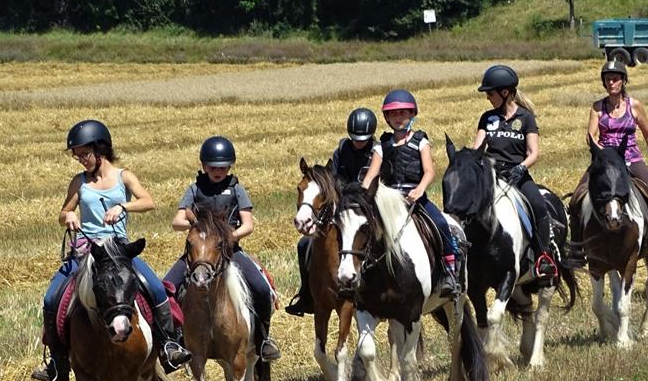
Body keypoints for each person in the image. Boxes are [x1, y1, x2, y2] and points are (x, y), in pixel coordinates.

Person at [32, 120, 192, 381]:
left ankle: (168, 346)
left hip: (118, 250)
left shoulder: (123, 176)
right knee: (51, 299)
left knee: (156, 288)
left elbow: (149, 202)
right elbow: (63, 213)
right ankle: (58, 362)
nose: (81, 160)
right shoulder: (79, 182)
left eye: (85, 153)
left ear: (100, 148)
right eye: (77, 155)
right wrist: (69, 215)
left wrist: (123, 207)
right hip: (87, 250)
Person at [165, 137, 281, 361]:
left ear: (230, 167)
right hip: (199, 253)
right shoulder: (195, 189)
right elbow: (176, 221)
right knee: (167, 288)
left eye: (223, 167)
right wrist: (198, 231)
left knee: (261, 288)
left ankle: (263, 339)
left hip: (230, 250)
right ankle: (174, 340)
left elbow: (248, 224)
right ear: (203, 166)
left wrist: (228, 237)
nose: (218, 171)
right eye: (212, 167)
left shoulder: (236, 189)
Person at [565, 59, 648, 268]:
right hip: (605, 162)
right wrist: (603, 153)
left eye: (615, 79)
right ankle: (577, 250)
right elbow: (590, 136)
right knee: (575, 200)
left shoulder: (634, 105)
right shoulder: (597, 107)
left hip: (632, 159)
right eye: (608, 80)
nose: (611, 83)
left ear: (623, 81)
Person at [286, 108, 382, 315]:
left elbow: (374, 182)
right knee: (304, 244)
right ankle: (306, 295)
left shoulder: (377, 150)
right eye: (355, 138)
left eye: (363, 139)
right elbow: (334, 179)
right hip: (344, 205)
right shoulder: (341, 150)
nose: (358, 142)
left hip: (368, 205)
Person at [473, 64, 558, 283]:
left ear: (504, 92)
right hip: (491, 176)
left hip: (517, 175)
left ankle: (544, 258)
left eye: (490, 93)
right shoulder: (487, 118)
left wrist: (521, 168)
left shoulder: (526, 118)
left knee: (539, 206)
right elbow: (477, 149)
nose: (488, 98)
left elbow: (533, 152)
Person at [378, 89, 462, 296]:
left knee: (441, 224)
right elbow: (372, 175)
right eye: (394, 114)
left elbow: (429, 171)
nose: (399, 118)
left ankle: (450, 274)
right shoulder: (382, 145)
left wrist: (420, 189)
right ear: (387, 117)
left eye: (403, 113)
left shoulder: (421, 141)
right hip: (389, 200)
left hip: (416, 197)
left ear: (412, 115)